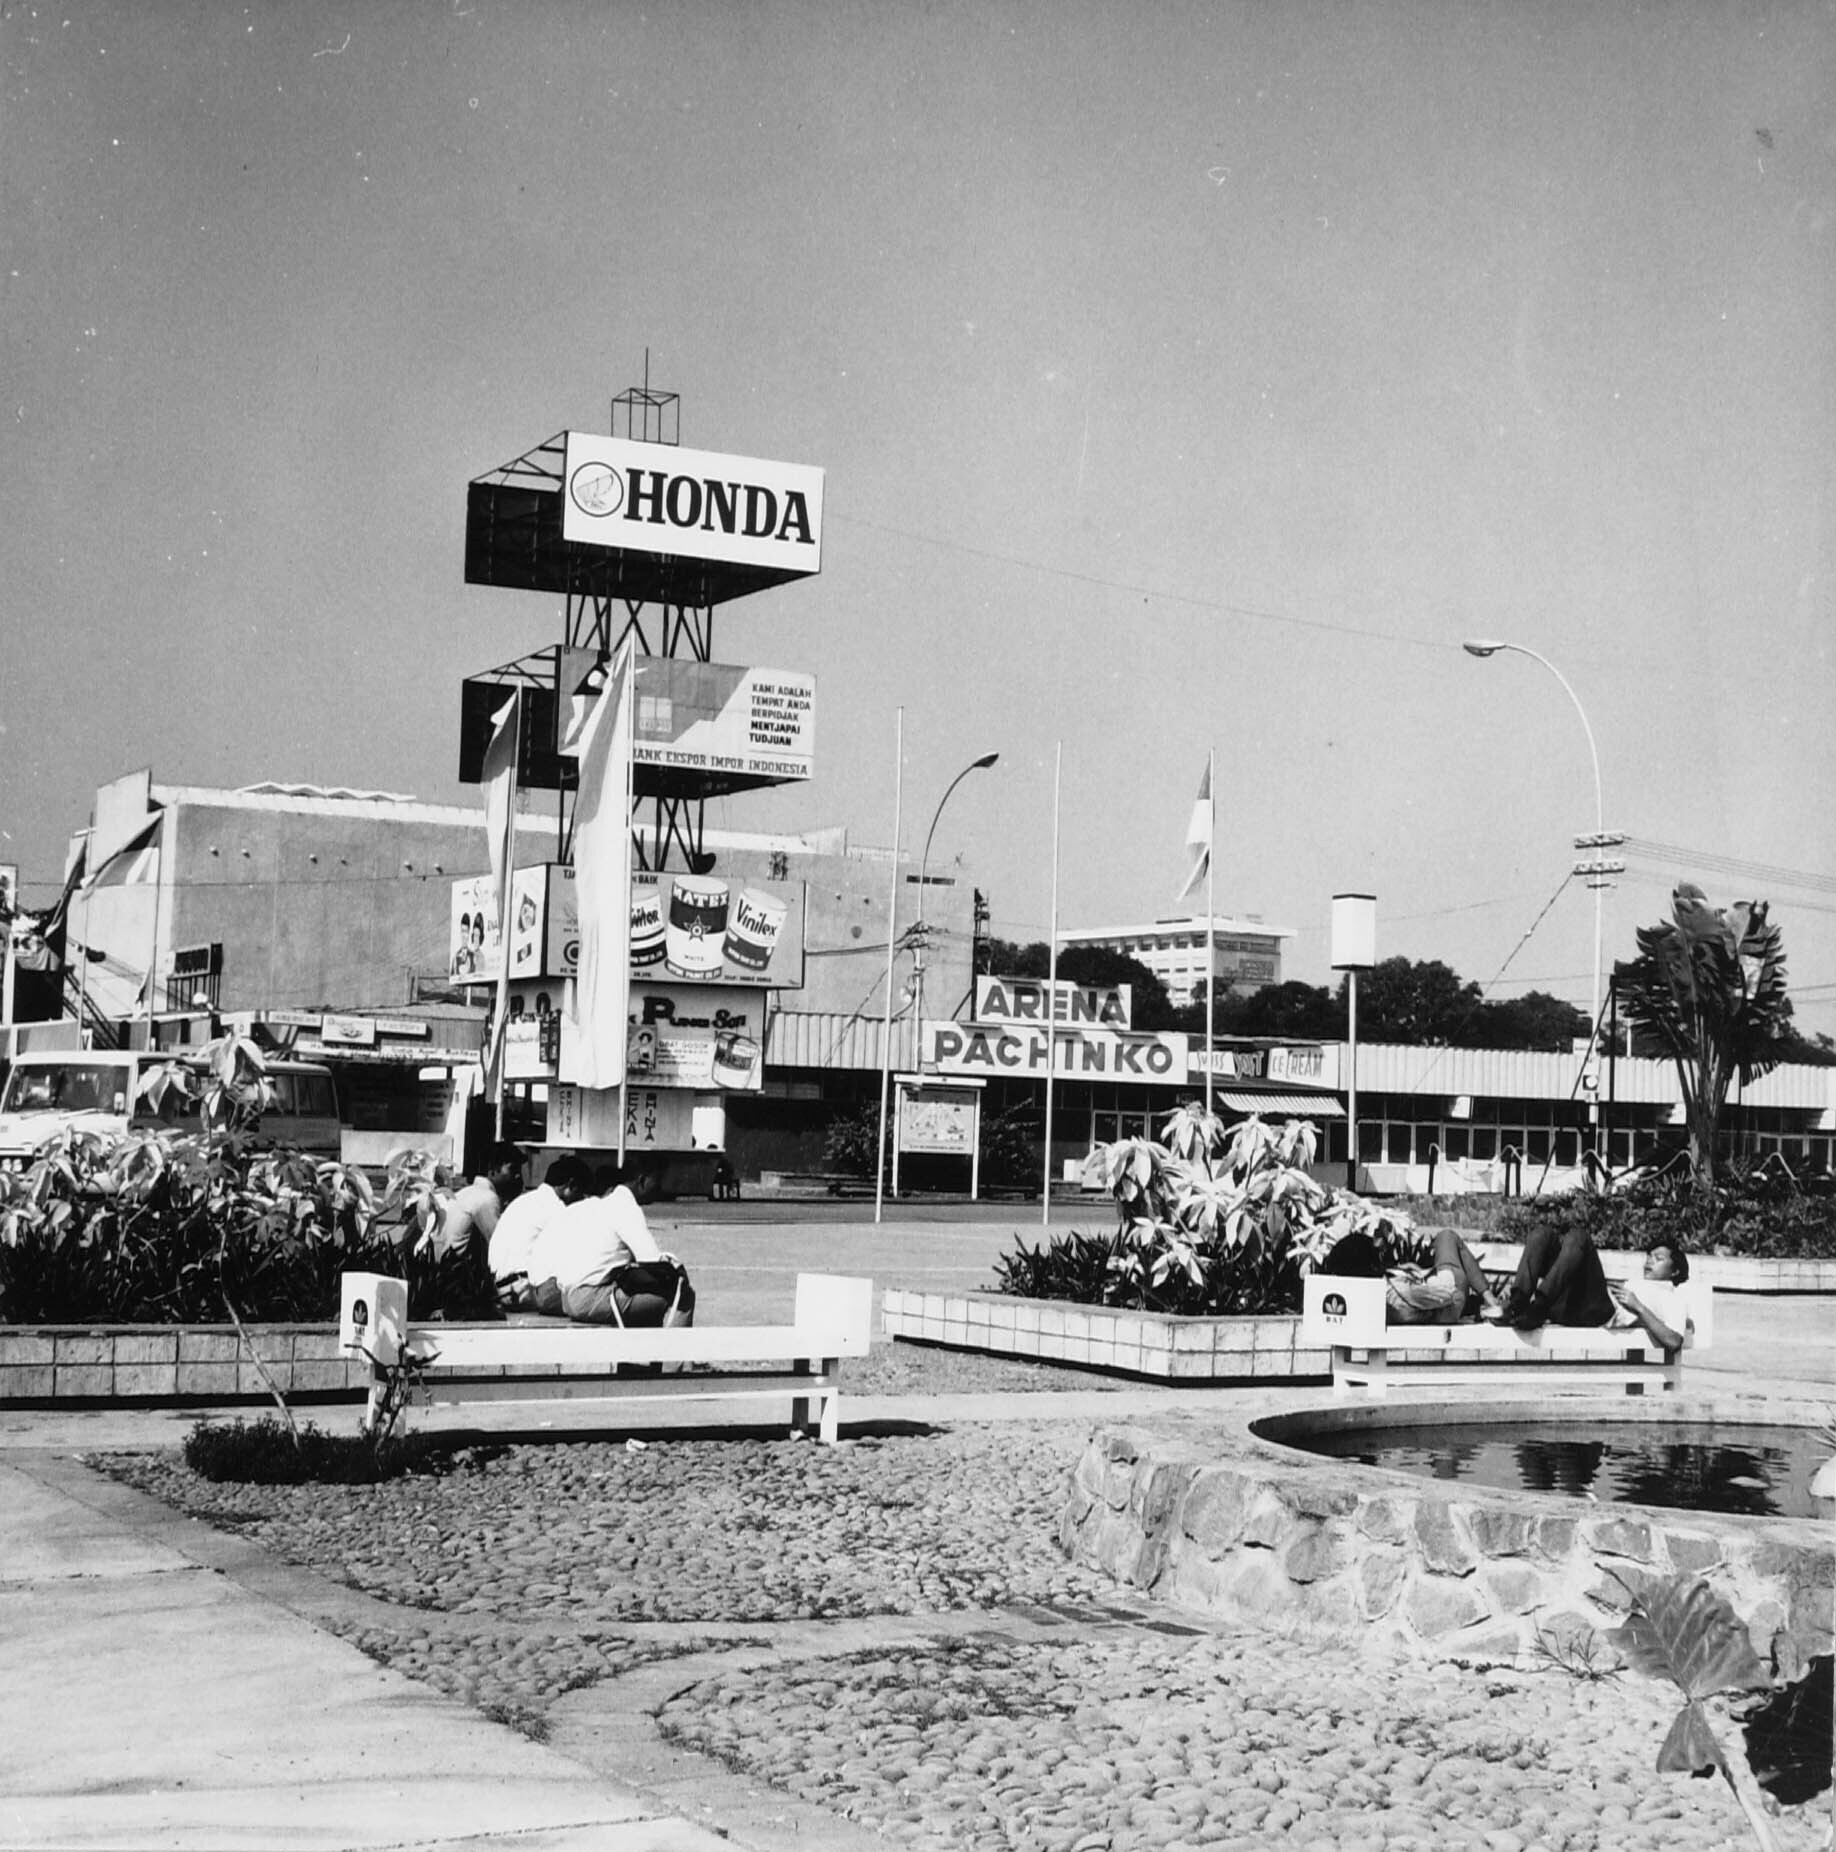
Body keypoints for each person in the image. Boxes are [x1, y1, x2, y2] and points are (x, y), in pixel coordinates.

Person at [524, 1164, 696, 1326]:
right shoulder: (625, 1207)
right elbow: (651, 1261)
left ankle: (639, 1346)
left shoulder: (598, 1207)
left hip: (566, 1296)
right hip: (588, 1298)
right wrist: (676, 1268)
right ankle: (674, 1348)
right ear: (642, 1180)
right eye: (657, 1181)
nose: (660, 1188)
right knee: (682, 1294)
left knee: (642, 1298)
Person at [487, 1154, 591, 1308]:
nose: (581, 1200)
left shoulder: (523, 1201)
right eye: (580, 1193)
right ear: (571, 1185)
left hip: (500, 1288)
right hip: (523, 1288)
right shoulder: (557, 1209)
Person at [1500, 1219, 1616, 1330]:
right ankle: (1517, 1304)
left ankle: (1539, 1306)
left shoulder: (1578, 1239)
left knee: (1578, 1237)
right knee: (1541, 1234)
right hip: (1561, 1308)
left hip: (1589, 1310)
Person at [1383, 1228, 1502, 1326]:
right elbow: (1455, 1296)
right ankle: (1489, 1299)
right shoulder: (1399, 1292)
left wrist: (1417, 1273)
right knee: (1447, 1236)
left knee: (1446, 1240)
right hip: (1450, 1295)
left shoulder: (1389, 1292)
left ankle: (1488, 1302)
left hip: (1438, 1301)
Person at [433, 1142, 525, 1262]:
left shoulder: (465, 1193)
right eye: (513, 1169)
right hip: (455, 1269)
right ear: (492, 1169)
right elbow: (502, 1248)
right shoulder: (486, 1198)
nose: (518, 1176)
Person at [1607, 1237, 1696, 1350]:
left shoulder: (1673, 1298)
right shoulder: (1639, 1285)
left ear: (1674, 1271)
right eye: (1649, 1256)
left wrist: (1638, 1307)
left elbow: (1674, 1341)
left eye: (1659, 1258)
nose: (1650, 1261)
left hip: (1604, 1311)